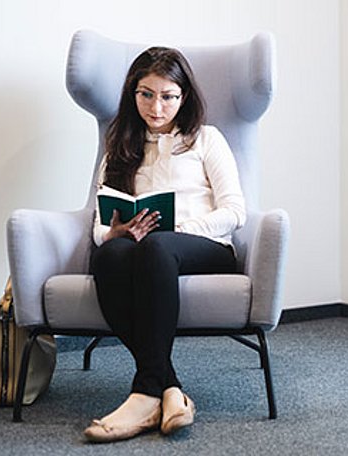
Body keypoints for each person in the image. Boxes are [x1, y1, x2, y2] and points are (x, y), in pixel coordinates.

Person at [84, 46, 246, 443]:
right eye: (146, 94)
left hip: (205, 246)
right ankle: (167, 389)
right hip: (145, 251)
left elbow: (235, 210)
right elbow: (100, 222)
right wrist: (113, 233)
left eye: (168, 96)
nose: (157, 107)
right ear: (132, 93)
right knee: (109, 255)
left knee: (157, 248)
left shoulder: (207, 139)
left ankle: (143, 394)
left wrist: (184, 228)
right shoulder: (120, 143)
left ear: (183, 97)